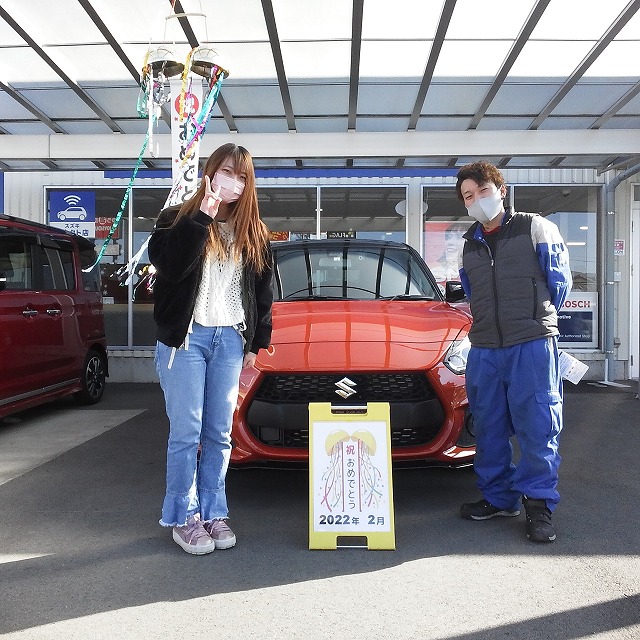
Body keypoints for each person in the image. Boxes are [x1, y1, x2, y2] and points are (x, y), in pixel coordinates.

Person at [149, 143, 273, 555]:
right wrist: (203, 212)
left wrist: (257, 342)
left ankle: (213, 512)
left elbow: (262, 292)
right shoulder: (176, 219)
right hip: (187, 338)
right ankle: (183, 517)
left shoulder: (252, 230)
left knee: (219, 433)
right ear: (210, 171)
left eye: (241, 176)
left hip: (230, 339)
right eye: (226, 172)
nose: (233, 182)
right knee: (186, 431)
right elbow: (170, 267)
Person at [456, 160, 572, 543]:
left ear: (500, 190)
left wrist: (534, 322)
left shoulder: (536, 228)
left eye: (482, 192)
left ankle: (538, 505)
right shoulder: (468, 246)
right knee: (488, 427)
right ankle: (498, 497)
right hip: (486, 348)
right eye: (468, 197)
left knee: (538, 425)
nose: (477, 201)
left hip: (532, 344)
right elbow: (473, 296)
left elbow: (559, 284)